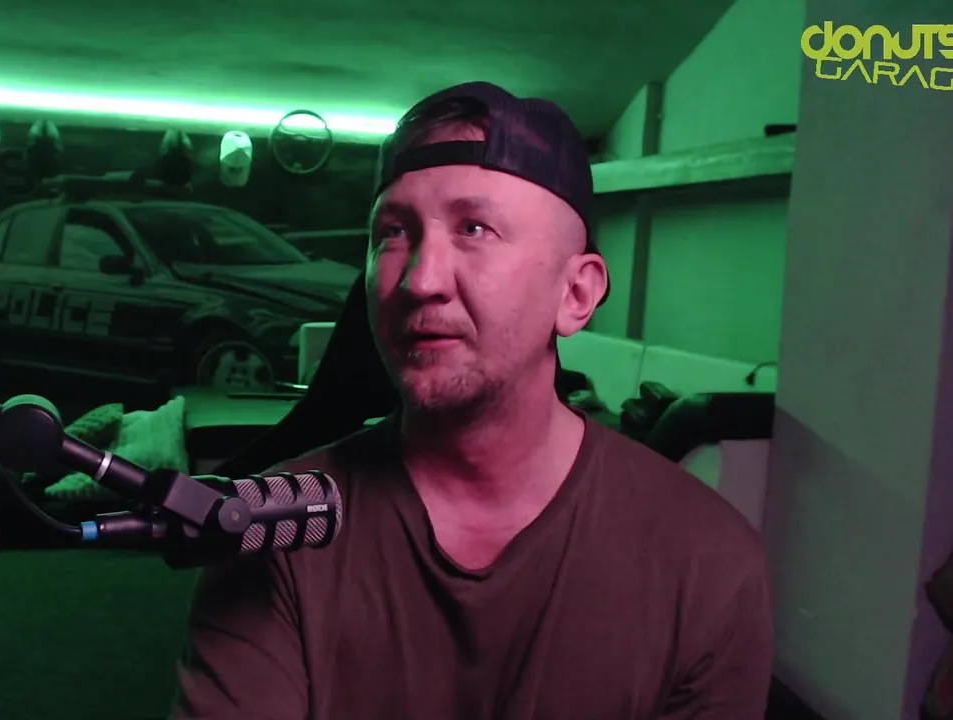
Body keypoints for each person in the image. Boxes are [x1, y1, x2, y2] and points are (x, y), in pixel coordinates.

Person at [172, 82, 773, 719]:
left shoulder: (707, 562)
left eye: (474, 229)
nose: (420, 280)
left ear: (576, 295)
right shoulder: (271, 525)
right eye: (393, 233)